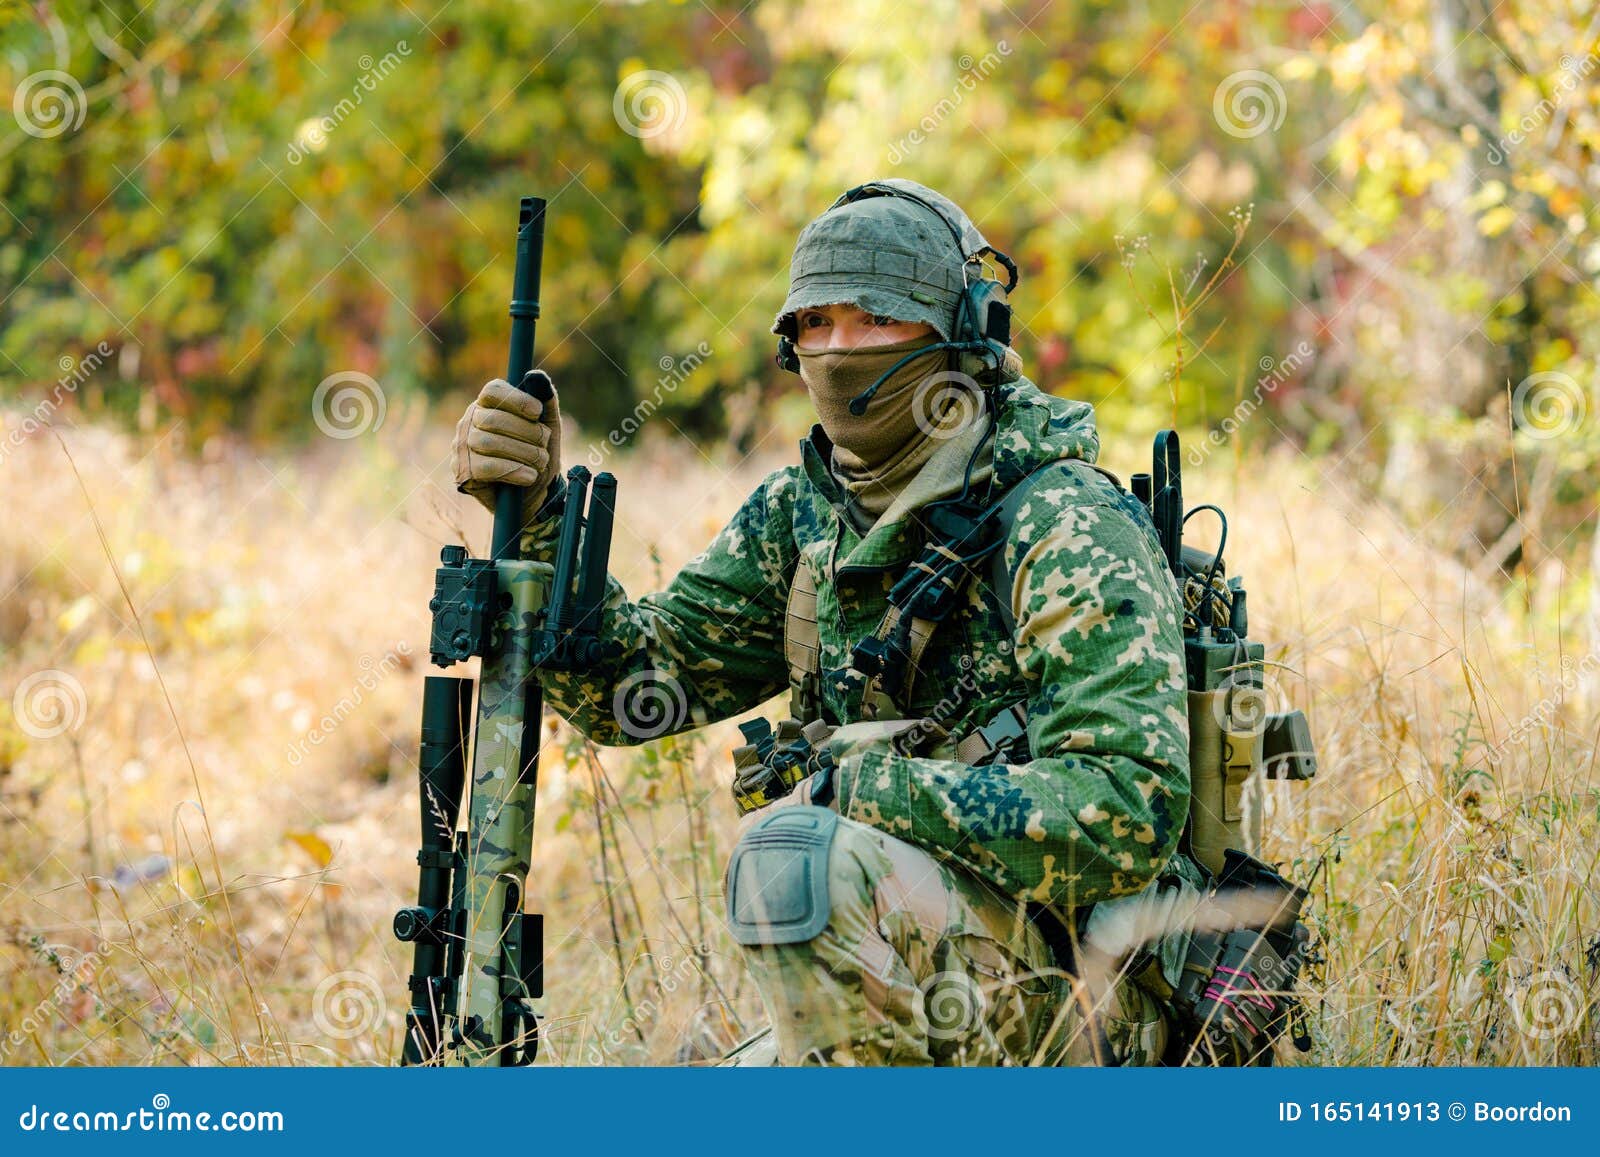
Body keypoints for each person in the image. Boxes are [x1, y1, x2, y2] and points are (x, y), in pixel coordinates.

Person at [451, 179, 1193, 1066]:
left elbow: (1126, 814)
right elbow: (633, 691)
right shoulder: (803, 517)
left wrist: (862, 786)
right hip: (919, 965)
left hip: (1088, 996)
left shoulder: (1065, 522)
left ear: (963, 330)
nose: (839, 351)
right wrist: (537, 515)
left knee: (795, 855)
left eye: (876, 320)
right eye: (814, 325)